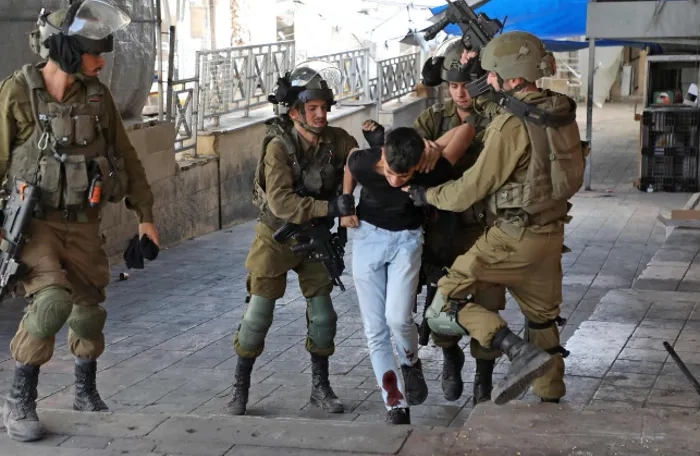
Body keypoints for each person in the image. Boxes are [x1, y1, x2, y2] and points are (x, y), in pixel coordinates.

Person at [0, 0, 159, 442]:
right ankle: (19, 400)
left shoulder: (97, 96)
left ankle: (85, 392)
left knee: (88, 314)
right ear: (68, 50)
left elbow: (125, 157)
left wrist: (145, 216)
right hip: (34, 224)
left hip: (84, 223)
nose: (101, 61)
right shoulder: (17, 92)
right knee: (52, 303)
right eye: (93, 52)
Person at [404, 31, 584, 406]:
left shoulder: (510, 126)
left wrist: (426, 195)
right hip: (550, 236)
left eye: (492, 74)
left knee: (445, 301)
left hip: (510, 237)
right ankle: (551, 398)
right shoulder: (561, 113)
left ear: (512, 78)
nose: (487, 80)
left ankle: (515, 350)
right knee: (542, 321)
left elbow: (469, 190)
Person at [226, 61, 358, 416]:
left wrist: (375, 150)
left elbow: (355, 158)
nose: (320, 115)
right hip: (276, 237)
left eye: (323, 107)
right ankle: (240, 387)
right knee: (257, 318)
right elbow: (281, 202)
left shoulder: (335, 139)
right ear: (295, 112)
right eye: (312, 108)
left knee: (324, 318)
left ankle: (320, 387)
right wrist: (331, 207)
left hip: (316, 238)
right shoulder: (279, 146)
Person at [342, 126, 469, 424]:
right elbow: (349, 162)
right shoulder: (366, 161)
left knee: (398, 318)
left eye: (404, 177)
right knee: (375, 328)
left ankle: (411, 362)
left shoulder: (427, 166)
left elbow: (466, 129)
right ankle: (395, 404)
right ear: (382, 155)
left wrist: (433, 147)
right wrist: (346, 202)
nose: (395, 181)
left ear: (417, 165)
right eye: (389, 173)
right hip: (367, 238)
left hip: (407, 241)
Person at [413, 37, 507, 406]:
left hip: (485, 228)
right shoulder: (432, 119)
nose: (460, 93)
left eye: (466, 84)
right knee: (444, 297)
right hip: (442, 228)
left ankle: (483, 378)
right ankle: (450, 354)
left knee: (487, 301)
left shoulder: (498, 117)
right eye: (453, 86)